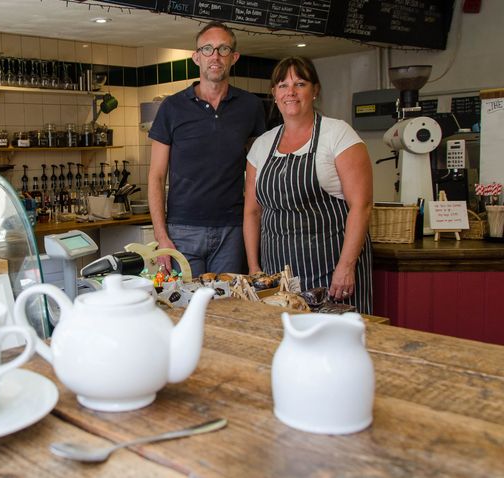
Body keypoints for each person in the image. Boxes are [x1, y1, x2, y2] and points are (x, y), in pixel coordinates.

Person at [243, 56, 373, 313]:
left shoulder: (338, 134)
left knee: (334, 344)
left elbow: (362, 205)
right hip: (278, 275)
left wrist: (346, 266)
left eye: (299, 84)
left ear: (315, 90)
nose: (290, 92)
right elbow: (252, 211)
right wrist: (254, 268)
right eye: (282, 85)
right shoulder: (262, 144)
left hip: (330, 270)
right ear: (274, 93)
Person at [147, 21, 268, 277]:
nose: (215, 56)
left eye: (223, 49)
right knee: (184, 309)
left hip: (232, 231)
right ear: (196, 57)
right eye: (208, 49)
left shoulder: (251, 106)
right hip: (182, 231)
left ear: (234, 57)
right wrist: (162, 237)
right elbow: (156, 176)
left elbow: (259, 172)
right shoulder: (172, 107)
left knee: (228, 310)